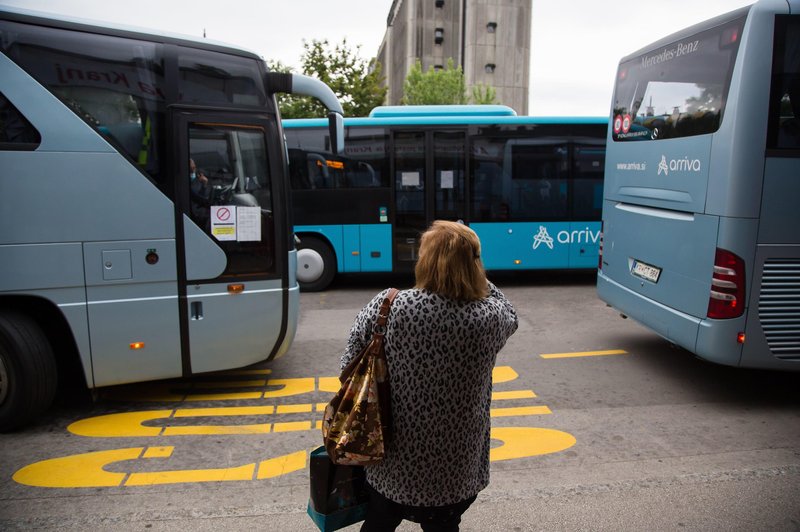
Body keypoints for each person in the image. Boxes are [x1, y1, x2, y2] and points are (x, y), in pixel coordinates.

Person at [340, 220, 519, 532]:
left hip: (392, 458)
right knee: (443, 526)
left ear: (426, 261)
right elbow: (509, 311)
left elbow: (348, 364)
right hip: (456, 466)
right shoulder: (489, 317)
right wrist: (472, 264)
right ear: (473, 264)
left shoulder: (390, 305)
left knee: (380, 522)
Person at [189, 158, 210, 229]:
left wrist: (204, 184)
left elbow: (202, 196)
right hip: (191, 214)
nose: (193, 168)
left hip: (200, 214)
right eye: (191, 168)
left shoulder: (199, 180)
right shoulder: (185, 181)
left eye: (194, 166)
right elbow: (196, 197)